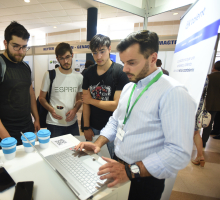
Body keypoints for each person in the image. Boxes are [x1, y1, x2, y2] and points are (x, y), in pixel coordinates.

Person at [75, 30, 196, 200]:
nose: (125, 69)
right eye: (124, 62)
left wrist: (131, 170)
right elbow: (115, 121)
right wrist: (98, 143)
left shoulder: (173, 93)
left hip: (144, 177)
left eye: (131, 62)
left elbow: (178, 153)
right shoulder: (129, 87)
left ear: (153, 58)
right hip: (117, 164)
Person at [0, 21, 40, 150]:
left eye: (24, 47)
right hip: (4, 130)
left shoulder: (25, 66)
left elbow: (31, 93)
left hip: (27, 127)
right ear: (5, 43)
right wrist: (7, 138)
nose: (20, 51)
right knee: (10, 167)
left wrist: (37, 119)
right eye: (16, 46)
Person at [82, 34, 129, 157]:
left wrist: (91, 100)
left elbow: (115, 105)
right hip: (93, 126)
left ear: (109, 49)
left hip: (114, 128)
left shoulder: (120, 72)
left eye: (102, 51)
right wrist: (86, 127)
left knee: (112, 159)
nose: (98, 56)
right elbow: (85, 102)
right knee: (92, 158)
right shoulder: (88, 73)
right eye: (95, 53)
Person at [39, 42, 83, 137]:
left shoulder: (79, 77)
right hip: (54, 124)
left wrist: (75, 109)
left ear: (72, 55)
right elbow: (41, 98)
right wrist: (51, 109)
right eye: (61, 58)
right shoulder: (49, 75)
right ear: (57, 59)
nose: (65, 61)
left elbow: (80, 99)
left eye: (67, 57)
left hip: (72, 123)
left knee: (75, 150)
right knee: (55, 151)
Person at [201, 61, 220, 145]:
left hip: (211, 104)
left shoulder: (209, 77)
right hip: (217, 105)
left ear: (214, 67)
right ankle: (216, 131)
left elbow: (203, 91)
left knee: (208, 122)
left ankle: (204, 141)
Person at [192, 77, 208, 167]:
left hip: (190, 104)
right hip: (200, 106)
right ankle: (200, 155)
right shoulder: (205, 77)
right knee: (196, 133)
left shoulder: (193, 76)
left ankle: (200, 156)